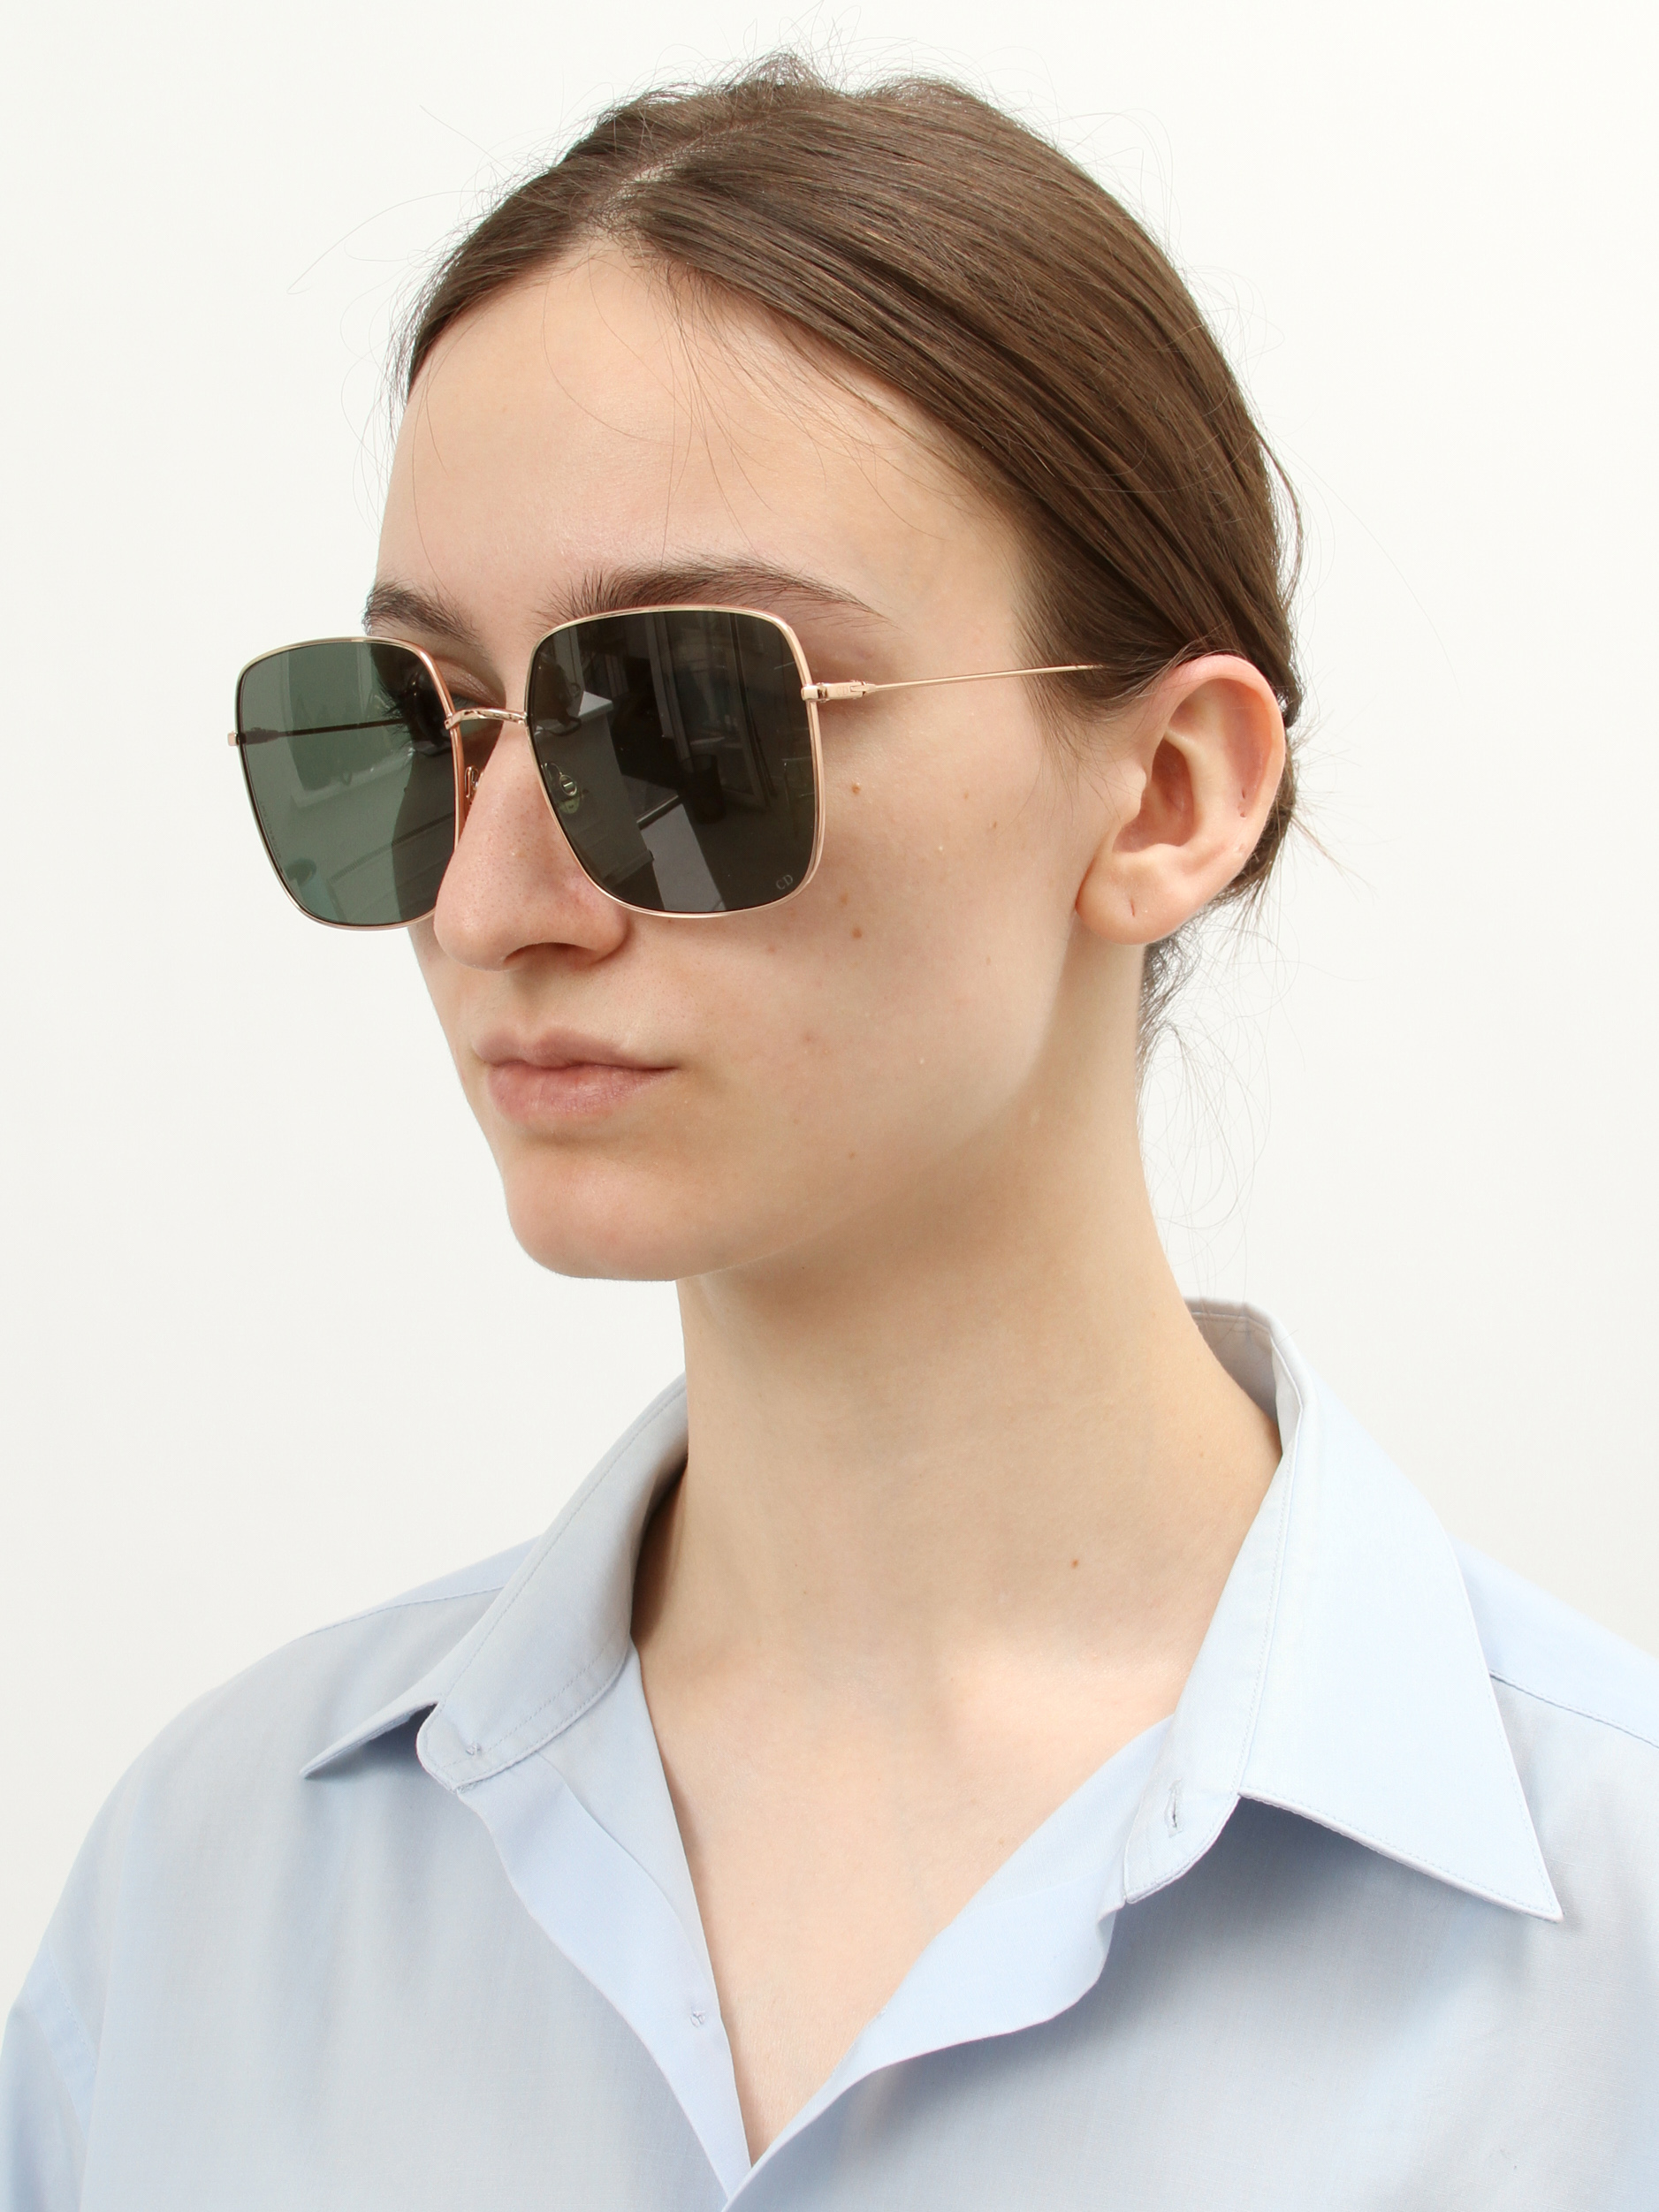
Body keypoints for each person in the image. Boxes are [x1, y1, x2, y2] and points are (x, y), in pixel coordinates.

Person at [4, 58, 1656, 2212]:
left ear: (1168, 794)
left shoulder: (1613, 1968)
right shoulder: (200, 1907)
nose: (492, 902)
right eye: (410, 728)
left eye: (682, 718)